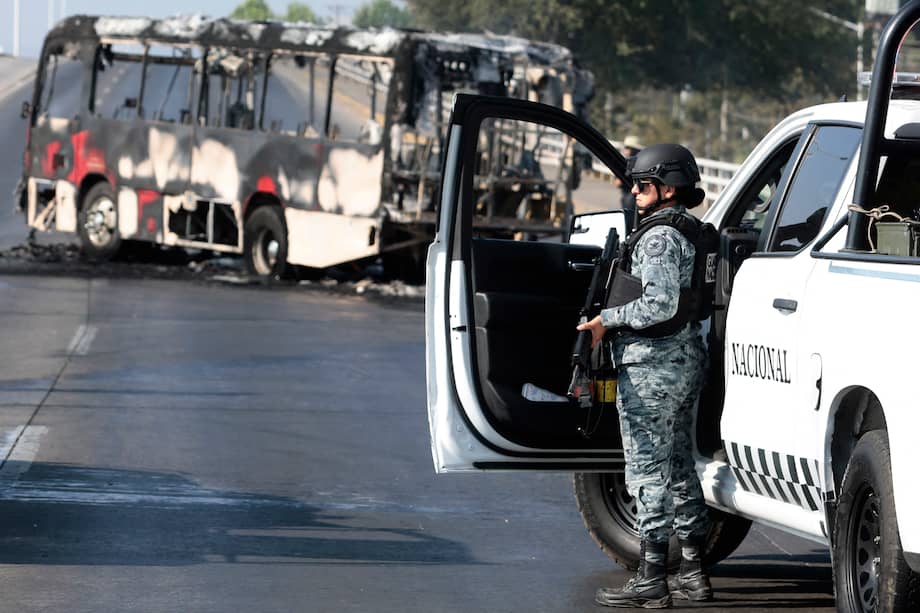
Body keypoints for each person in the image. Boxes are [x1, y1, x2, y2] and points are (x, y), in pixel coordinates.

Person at [576, 143, 711, 609]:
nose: (633, 191)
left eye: (643, 184)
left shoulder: (657, 238)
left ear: (667, 188)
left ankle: (652, 575)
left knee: (647, 469)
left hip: (652, 366)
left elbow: (659, 304)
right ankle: (693, 570)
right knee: (678, 466)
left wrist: (605, 321)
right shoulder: (688, 230)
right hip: (684, 359)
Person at [614, 135, 644, 233]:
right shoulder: (641, 163)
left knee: (628, 222)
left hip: (630, 198)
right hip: (631, 197)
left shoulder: (629, 163)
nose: (626, 150)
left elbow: (617, 183)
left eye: (628, 148)